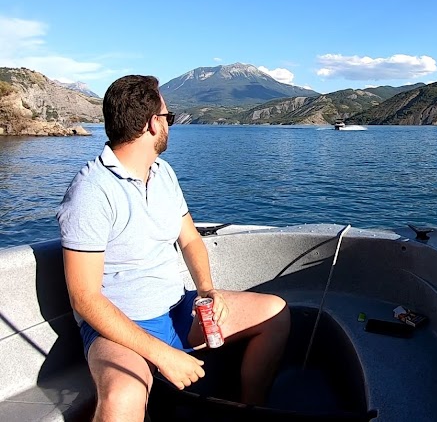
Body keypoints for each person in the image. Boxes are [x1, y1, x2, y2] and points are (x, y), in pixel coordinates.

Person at [57, 75, 290, 422]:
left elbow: (191, 238)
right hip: (120, 329)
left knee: (275, 313)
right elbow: (85, 298)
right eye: (169, 118)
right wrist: (162, 355)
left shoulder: (163, 173)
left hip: (177, 308)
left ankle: (248, 410)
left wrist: (208, 289)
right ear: (153, 124)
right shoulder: (91, 192)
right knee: (123, 395)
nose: (170, 125)